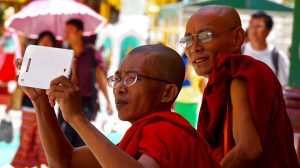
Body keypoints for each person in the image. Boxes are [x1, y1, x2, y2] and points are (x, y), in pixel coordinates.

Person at [15, 44, 220, 168]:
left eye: (133, 78)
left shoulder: (167, 131)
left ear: (167, 93)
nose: (120, 87)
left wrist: (77, 117)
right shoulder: (139, 138)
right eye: (118, 78)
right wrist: (41, 102)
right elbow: (64, 161)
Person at [180, 5, 299, 167]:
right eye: (188, 40)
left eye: (205, 36)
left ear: (237, 38)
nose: (194, 48)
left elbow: (248, 148)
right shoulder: (222, 80)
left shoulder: (239, 76)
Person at [58, 18, 112, 147]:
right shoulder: (63, 54)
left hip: (86, 104)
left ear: (80, 32)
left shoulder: (93, 54)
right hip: (65, 102)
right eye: (65, 31)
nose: (66, 34)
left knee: (81, 142)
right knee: (63, 141)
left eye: (69, 31)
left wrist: (108, 101)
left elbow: (100, 78)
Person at [6, 31, 57, 167]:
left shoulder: (57, 63)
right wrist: (11, 102)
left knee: (43, 139)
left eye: (49, 40)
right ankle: (26, 164)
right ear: (38, 42)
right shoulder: (30, 59)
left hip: (47, 106)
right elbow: (21, 81)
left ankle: (41, 164)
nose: (46, 43)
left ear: (54, 44)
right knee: (26, 137)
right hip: (29, 105)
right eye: (43, 40)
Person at [242, 11, 290, 86]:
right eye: (251, 26)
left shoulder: (278, 56)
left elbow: (283, 86)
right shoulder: (239, 51)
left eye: (258, 26)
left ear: (269, 30)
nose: (253, 31)